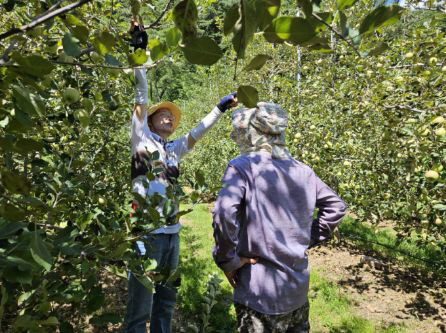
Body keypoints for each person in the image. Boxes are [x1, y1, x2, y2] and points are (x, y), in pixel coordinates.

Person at [124, 19, 238, 333]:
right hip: (146, 234)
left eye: (172, 118)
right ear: (150, 119)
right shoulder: (140, 138)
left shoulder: (173, 149)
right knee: (140, 303)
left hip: (173, 234)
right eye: (163, 115)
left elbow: (197, 133)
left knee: (167, 298)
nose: (169, 120)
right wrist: (139, 51)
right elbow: (141, 94)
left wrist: (220, 108)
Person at [212, 102, 346, 332]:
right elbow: (336, 207)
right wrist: (307, 238)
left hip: (259, 291)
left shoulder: (242, 167)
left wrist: (228, 261)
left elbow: (224, 214)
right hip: (296, 290)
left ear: (250, 133)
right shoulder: (303, 171)